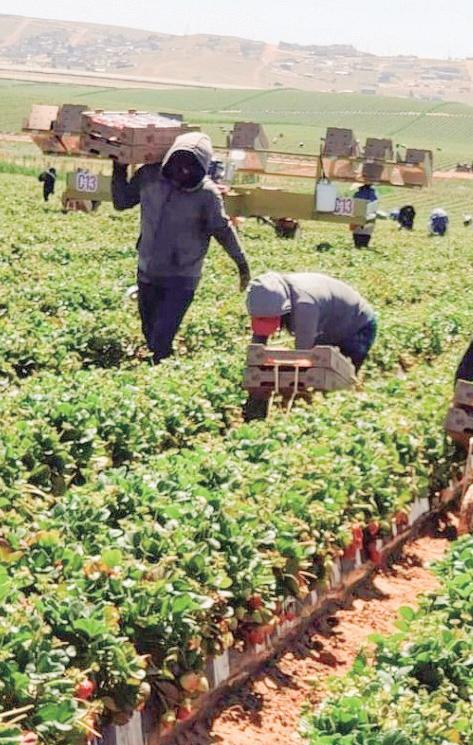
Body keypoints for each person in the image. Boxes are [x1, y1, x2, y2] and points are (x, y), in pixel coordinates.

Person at [111, 132, 250, 364]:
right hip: (148, 270)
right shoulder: (149, 176)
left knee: (161, 338)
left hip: (182, 276)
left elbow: (222, 230)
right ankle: (160, 365)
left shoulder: (206, 194)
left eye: (190, 168)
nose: (182, 172)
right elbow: (121, 202)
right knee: (149, 331)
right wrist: (119, 168)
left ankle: (159, 371)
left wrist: (242, 264)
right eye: (178, 165)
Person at [246, 272, 377, 372]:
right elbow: (258, 342)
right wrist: (256, 363)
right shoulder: (264, 298)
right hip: (327, 327)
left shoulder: (305, 306)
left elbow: (302, 357)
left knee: (339, 377)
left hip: (357, 327)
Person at [350, 184, 377, 248]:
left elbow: (353, 206)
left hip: (358, 217)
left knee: (357, 236)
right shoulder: (373, 195)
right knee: (366, 234)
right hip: (370, 217)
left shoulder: (357, 194)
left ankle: (358, 247)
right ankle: (364, 246)